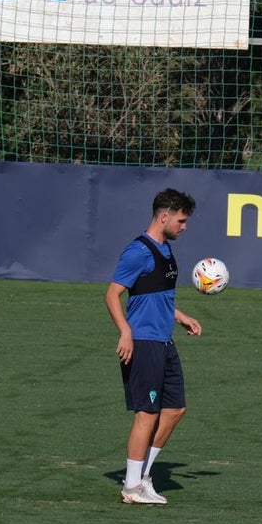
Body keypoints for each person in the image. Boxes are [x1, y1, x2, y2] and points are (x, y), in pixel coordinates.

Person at [105, 189, 202, 505]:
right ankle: (132, 487)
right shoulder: (138, 252)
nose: (184, 227)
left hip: (164, 341)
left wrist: (181, 316)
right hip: (143, 342)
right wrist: (125, 332)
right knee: (147, 413)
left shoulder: (165, 250)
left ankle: (141, 477)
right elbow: (112, 294)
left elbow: (155, 294)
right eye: (181, 220)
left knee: (175, 410)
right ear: (165, 216)